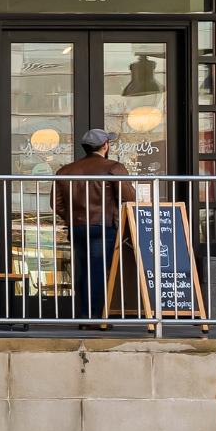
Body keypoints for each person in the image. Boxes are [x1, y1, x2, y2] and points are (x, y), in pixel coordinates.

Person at [53, 128, 129, 323]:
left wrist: (73, 217)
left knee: (83, 270)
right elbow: (129, 197)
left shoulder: (65, 170)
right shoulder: (113, 167)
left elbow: (56, 204)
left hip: (77, 227)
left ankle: (85, 315)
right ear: (105, 146)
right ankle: (95, 317)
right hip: (103, 225)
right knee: (98, 271)